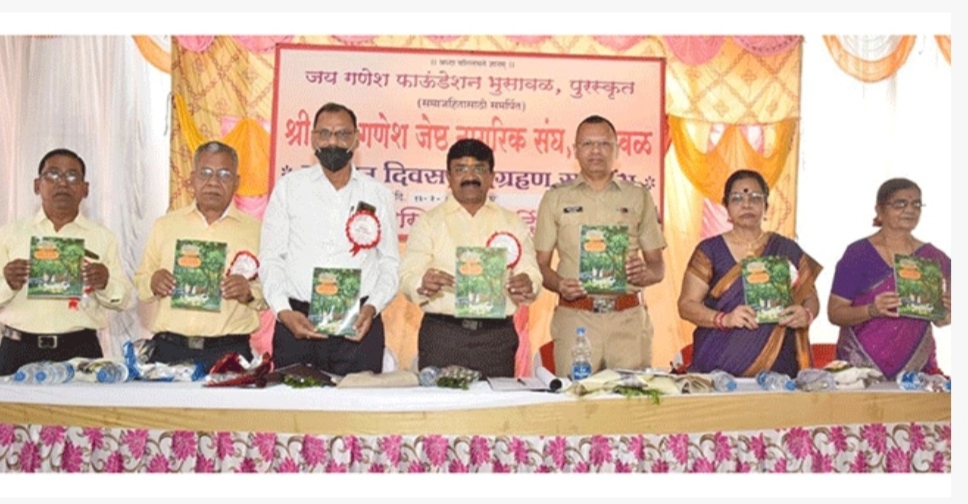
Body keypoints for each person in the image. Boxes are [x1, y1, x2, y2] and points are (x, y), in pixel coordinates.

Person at [260, 102, 399, 375]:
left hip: (359, 327)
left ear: (357, 139)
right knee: (293, 401)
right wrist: (283, 311)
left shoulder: (378, 194)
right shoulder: (289, 188)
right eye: (324, 134)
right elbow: (271, 258)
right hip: (297, 324)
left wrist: (373, 307)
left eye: (342, 134)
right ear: (312, 138)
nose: (333, 142)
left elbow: (390, 263)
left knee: (356, 401)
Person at [534, 115, 666, 375]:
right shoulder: (555, 198)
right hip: (576, 319)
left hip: (628, 320)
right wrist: (559, 284)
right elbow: (540, 265)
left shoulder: (638, 196)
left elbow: (658, 267)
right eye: (587, 144)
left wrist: (645, 273)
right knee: (575, 395)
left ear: (616, 149)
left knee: (630, 396)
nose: (596, 151)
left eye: (604, 144)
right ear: (575, 150)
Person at [399, 139, 541, 377]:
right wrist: (422, 283)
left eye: (479, 169)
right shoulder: (428, 223)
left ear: (492, 177)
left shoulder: (513, 223)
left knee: (495, 401)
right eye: (461, 169)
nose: (470, 176)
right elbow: (406, 277)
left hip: (495, 339)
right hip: (443, 336)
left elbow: (532, 273)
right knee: (440, 401)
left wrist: (529, 284)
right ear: (448, 177)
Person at [133, 141, 266, 372]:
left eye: (224, 174)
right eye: (205, 173)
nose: (213, 182)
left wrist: (249, 292)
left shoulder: (258, 231)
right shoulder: (165, 225)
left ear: (237, 182)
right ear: (192, 179)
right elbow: (141, 281)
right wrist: (153, 282)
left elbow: (273, 292)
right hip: (169, 350)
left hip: (229, 352)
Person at [677, 169, 822, 377]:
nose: (746, 204)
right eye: (737, 198)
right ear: (726, 207)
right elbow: (686, 305)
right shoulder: (709, 251)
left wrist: (806, 315)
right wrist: (724, 319)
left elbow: (811, 298)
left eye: (755, 197)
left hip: (779, 371)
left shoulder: (786, 248)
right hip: (719, 371)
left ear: (766, 206)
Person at [0, 148, 132, 375]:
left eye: (72, 176)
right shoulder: (9, 235)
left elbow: (123, 300)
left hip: (80, 350)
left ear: (85, 189)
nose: (62, 183)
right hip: (18, 349)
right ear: (37, 185)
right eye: (52, 174)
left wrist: (104, 283)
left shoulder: (102, 238)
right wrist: (8, 283)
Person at [827, 178, 950, 379]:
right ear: (879, 209)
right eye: (900, 203)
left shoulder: (934, 257)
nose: (910, 210)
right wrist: (871, 310)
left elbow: (943, 320)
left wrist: (946, 311)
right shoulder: (858, 254)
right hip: (860, 368)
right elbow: (835, 313)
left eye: (916, 204)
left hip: (916, 369)